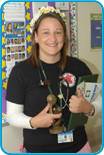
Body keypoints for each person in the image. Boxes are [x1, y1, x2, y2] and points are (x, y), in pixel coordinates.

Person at [6, 6, 95, 153]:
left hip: (79, 148)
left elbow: (97, 100)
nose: (53, 39)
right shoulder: (20, 72)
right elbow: (12, 116)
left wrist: (89, 109)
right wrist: (33, 122)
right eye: (45, 32)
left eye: (58, 32)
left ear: (64, 36)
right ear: (35, 37)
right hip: (37, 149)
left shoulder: (79, 67)